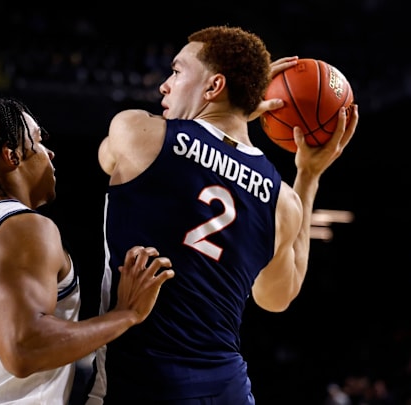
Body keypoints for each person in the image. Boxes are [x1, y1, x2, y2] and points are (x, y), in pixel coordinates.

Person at [85, 25, 359, 404]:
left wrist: (240, 109)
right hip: (227, 389)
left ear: (214, 86)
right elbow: (277, 297)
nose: (165, 85)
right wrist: (309, 175)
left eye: (177, 72)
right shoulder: (283, 200)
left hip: (142, 383)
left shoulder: (138, 133)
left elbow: (106, 158)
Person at [0, 96, 175, 405]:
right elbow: (24, 349)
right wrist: (125, 315)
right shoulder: (24, 226)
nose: (50, 152)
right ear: (12, 156)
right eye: (38, 140)